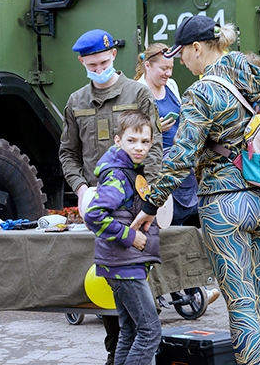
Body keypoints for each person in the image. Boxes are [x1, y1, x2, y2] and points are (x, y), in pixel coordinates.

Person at [131, 15, 260, 364]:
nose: (180, 61)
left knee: (241, 300)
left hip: (225, 202)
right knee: (257, 292)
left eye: (183, 53)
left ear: (198, 48)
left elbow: (182, 156)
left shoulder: (201, 92)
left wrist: (149, 204)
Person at [58, 29, 162, 365]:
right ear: (81, 63)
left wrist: (150, 198)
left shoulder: (138, 93)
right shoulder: (76, 102)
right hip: (100, 206)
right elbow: (67, 153)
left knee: (134, 319)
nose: (99, 68)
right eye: (92, 64)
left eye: (104, 62)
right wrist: (81, 188)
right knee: (126, 319)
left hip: (136, 207)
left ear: (114, 56)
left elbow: (156, 147)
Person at [84, 111, 161, 365]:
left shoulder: (130, 170)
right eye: (132, 140)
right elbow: (94, 215)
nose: (139, 147)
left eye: (145, 141)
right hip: (124, 266)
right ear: (118, 141)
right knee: (150, 331)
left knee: (129, 330)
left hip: (123, 264)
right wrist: (130, 237)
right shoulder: (118, 175)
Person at [134, 43, 194, 224]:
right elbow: (130, 131)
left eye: (171, 68)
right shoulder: (137, 91)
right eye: (164, 68)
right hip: (156, 164)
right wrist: (155, 128)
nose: (168, 73)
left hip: (180, 161)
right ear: (147, 66)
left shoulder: (172, 85)